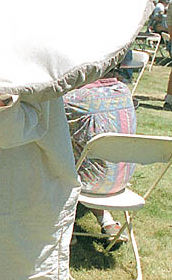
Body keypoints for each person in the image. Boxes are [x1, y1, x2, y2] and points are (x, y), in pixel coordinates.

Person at [63, 74, 136, 242]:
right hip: (120, 181)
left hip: (87, 184)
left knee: (50, 152)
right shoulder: (124, 92)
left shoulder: (73, 100)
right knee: (91, 156)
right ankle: (107, 222)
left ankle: (64, 229)